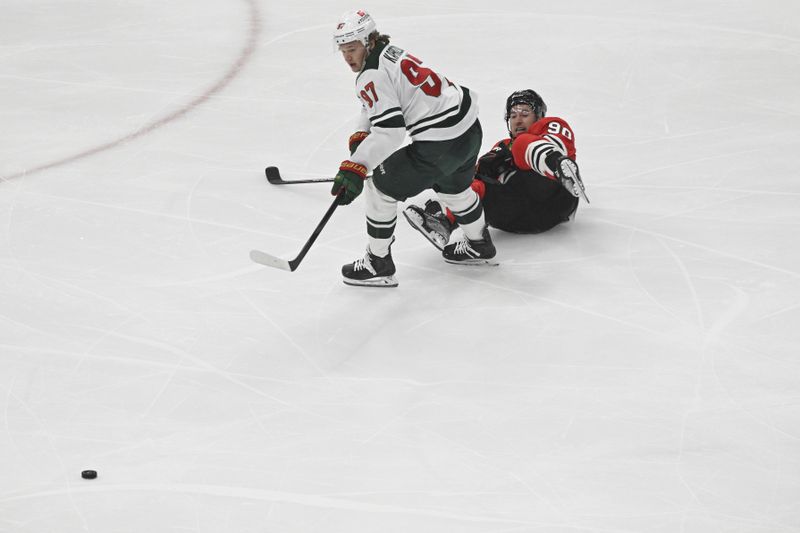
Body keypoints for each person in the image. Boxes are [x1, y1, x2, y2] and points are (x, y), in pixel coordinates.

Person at [330, 10, 494, 288]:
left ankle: (378, 263)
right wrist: (363, 135)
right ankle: (479, 244)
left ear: (368, 41)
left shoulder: (370, 73)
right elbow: (375, 102)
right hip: (468, 130)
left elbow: (391, 131)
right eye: (343, 50)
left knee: (379, 187)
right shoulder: (388, 51)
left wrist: (358, 166)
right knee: (455, 190)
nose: (347, 56)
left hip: (440, 143)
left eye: (352, 48)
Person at [403, 89, 586, 248]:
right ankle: (444, 225)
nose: (518, 120)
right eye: (513, 115)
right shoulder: (502, 146)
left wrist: (553, 160)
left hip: (554, 198)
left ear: (538, 115)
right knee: (467, 182)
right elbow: (472, 178)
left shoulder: (551, 125)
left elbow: (560, 144)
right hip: (515, 214)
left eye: (524, 113)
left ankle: (556, 166)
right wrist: (433, 179)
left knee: (522, 144)